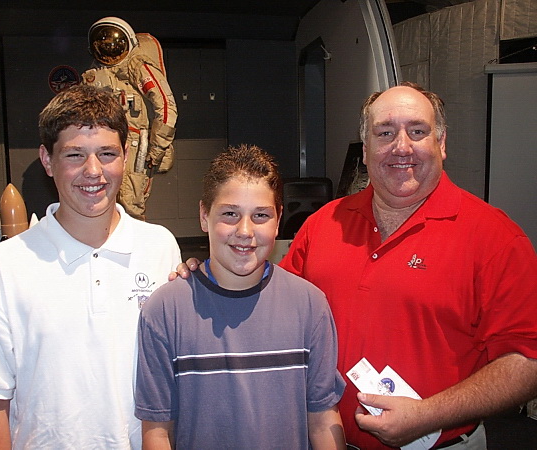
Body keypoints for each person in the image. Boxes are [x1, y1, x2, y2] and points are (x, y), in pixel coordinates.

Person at [176, 83, 537, 449]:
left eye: (417, 131)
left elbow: (527, 363)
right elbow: (266, 302)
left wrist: (429, 414)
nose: (401, 146)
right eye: (385, 133)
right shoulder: (323, 225)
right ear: (365, 150)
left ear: (441, 143)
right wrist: (206, 279)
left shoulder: (495, 238)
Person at [0, 84, 181, 449]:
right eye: (75, 155)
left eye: (107, 153)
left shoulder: (159, 248)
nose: (93, 170)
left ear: (125, 156)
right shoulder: (5, 265)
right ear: (47, 160)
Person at [136, 144, 347, 449]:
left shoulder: (310, 305)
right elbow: (157, 431)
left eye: (260, 215)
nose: (245, 231)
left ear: (278, 220)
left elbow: (323, 420)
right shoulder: (165, 310)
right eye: (230, 214)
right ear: (204, 215)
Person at [83, 16, 178, 220]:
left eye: (114, 44)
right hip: (103, 144)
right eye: (103, 44)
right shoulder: (95, 75)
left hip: (136, 144)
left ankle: (133, 240)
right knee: (103, 201)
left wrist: (157, 148)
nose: (109, 49)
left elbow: (165, 106)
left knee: (130, 203)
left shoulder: (138, 66)